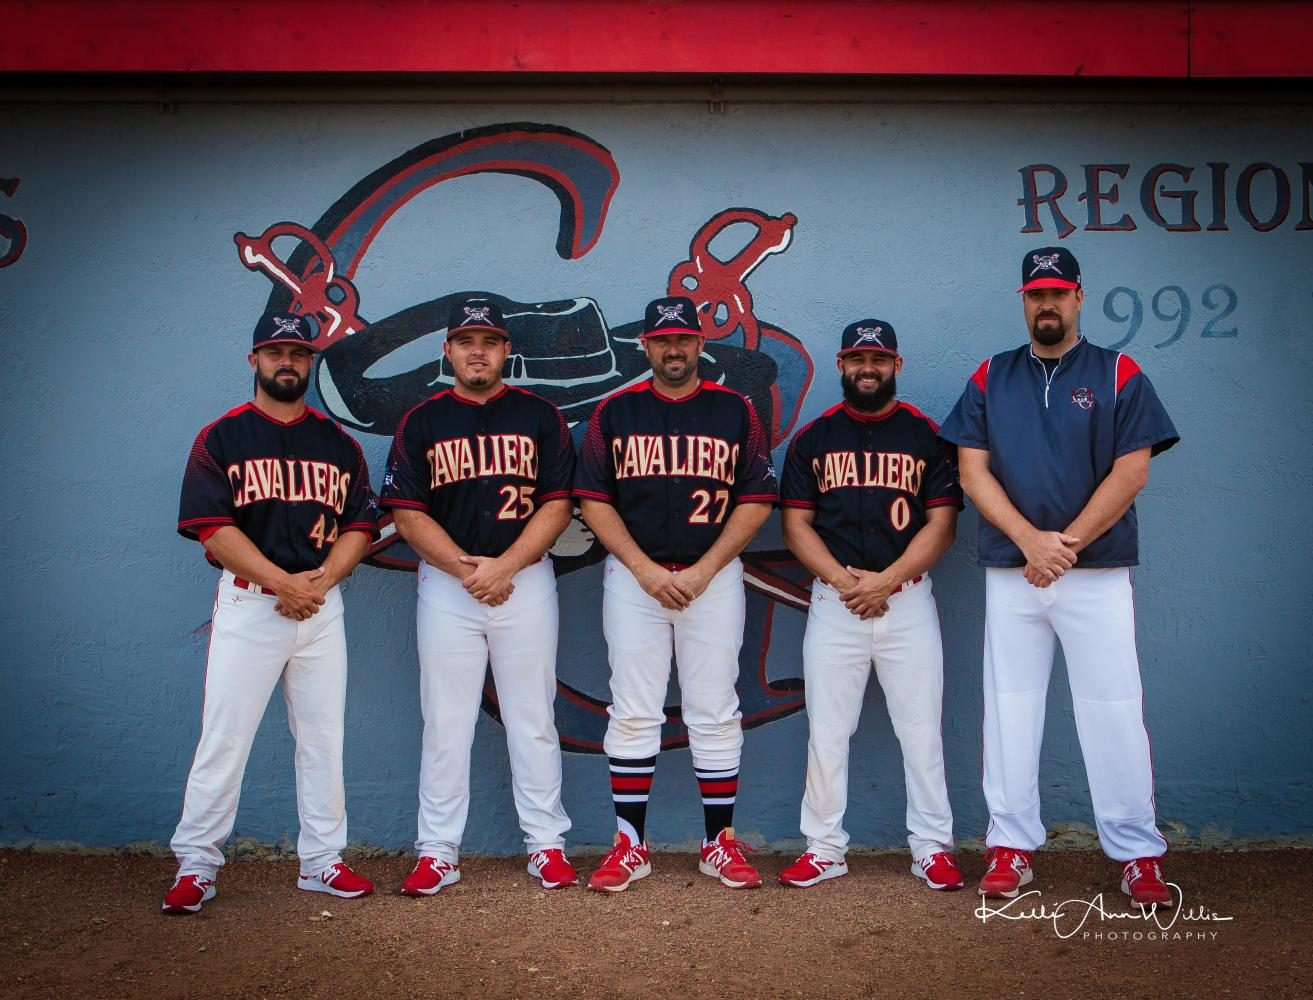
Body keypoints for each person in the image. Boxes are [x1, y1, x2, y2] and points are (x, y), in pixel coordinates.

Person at [939, 246, 1180, 907]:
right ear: (1022, 300)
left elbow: (1131, 472)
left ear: (1078, 296)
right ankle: (1010, 847)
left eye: (1057, 292)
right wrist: (1027, 542)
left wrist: (1062, 548)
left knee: (1113, 713)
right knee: (1009, 711)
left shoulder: (1118, 371)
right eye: (1034, 293)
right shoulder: (991, 375)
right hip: (1013, 573)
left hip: (1093, 572)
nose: (1046, 303)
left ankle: (1136, 855)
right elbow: (971, 470)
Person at [164, 312, 379, 914]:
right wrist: (282, 582)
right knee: (225, 738)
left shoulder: (340, 444)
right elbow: (211, 527)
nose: (289, 362)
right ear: (254, 360)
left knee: (322, 739)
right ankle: (197, 864)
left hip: (319, 605)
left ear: (311, 363)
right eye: (276, 351)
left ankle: (322, 861)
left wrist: (322, 581)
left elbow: (361, 522)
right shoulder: (221, 437)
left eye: (299, 353)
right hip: (250, 603)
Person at [574, 295, 778, 892]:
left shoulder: (734, 410)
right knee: (633, 709)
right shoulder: (614, 412)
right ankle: (630, 844)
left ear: (699, 343)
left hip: (710, 578)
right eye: (662, 341)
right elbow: (594, 499)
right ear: (646, 345)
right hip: (635, 579)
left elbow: (755, 499)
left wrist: (706, 568)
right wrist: (641, 569)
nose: (673, 349)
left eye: (682, 339)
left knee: (714, 709)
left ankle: (719, 842)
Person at [382, 297, 579, 894]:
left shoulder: (541, 416)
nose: (478, 351)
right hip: (449, 586)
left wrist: (507, 566)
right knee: (446, 722)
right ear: (448, 351)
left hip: (526, 579)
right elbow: (407, 512)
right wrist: (468, 570)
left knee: (533, 718)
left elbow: (557, 503)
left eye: (489, 341)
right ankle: (438, 850)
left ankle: (547, 845)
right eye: (467, 341)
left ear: (505, 350)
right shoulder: (421, 421)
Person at [778, 319, 964, 890]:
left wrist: (886, 580)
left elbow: (943, 524)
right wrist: (843, 580)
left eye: (879, 359)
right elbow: (795, 523)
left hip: (906, 602)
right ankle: (824, 847)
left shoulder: (927, 435)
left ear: (896, 366)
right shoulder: (814, 438)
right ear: (840, 363)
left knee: (921, 731)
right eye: (858, 358)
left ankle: (932, 846)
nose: (868, 368)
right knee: (828, 731)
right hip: (836, 604)